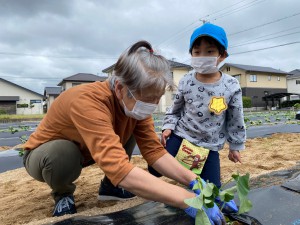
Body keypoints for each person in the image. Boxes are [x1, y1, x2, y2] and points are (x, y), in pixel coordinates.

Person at [23, 40, 225, 224]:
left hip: (90, 152)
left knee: (128, 125)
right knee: (62, 152)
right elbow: (118, 167)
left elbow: (155, 153)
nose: (153, 105)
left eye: (157, 98)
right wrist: (185, 198)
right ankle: (63, 194)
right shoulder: (86, 101)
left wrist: (196, 182)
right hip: (46, 157)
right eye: (148, 98)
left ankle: (110, 187)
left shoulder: (134, 106)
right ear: (120, 87)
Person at [148, 23, 246, 214]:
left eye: (209, 51)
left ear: (222, 55)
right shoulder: (186, 80)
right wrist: (168, 127)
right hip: (181, 135)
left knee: (213, 192)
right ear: (191, 54)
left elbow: (236, 118)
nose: (202, 56)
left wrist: (235, 146)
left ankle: (210, 194)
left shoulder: (231, 85)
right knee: (155, 169)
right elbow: (175, 108)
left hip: (209, 145)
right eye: (197, 51)